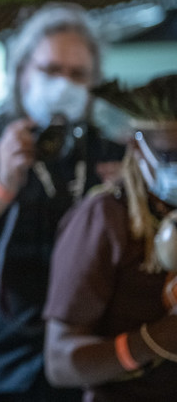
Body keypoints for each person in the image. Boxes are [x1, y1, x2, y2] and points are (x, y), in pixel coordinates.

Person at [0, 2, 126, 401]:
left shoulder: (108, 153)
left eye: (78, 74)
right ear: (20, 74)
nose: (64, 84)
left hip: (78, 362)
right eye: (51, 70)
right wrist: (0, 183)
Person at [43, 74, 177, 402]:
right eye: (170, 156)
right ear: (136, 145)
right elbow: (60, 363)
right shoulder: (104, 217)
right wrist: (158, 339)